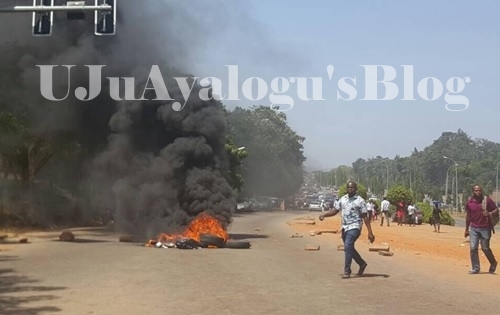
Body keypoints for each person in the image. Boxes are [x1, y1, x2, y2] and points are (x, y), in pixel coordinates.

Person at [319, 181, 375, 278]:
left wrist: (370, 232)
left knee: (348, 245)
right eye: (348, 188)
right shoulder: (343, 199)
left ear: (356, 189)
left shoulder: (360, 201)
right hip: (344, 227)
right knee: (349, 248)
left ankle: (347, 271)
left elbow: (365, 217)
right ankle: (361, 263)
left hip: (355, 226)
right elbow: (335, 210)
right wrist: (324, 214)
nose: (350, 189)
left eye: (352, 187)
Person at [464, 185, 498, 274]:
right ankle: (476, 267)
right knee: (473, 248)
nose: (478, 192)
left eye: (479, 190)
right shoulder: (469, 202)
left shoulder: (487, 200)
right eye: (476, 190)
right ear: (473, 191)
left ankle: (493, 262)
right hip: (474, 228)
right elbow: (468, 216)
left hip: (485, 228)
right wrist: (466, 229)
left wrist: (489, 213)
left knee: (485, 248)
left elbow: (496, 210)